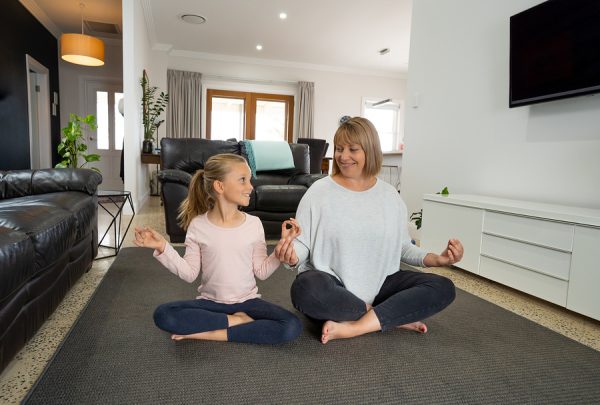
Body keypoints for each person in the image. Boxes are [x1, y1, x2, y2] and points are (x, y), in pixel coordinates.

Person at [274, 117, 464, 344]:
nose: (343, 157)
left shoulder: (390, 196)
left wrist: (437, 259)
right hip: (334, 285)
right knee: (305, 289)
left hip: (382, 283)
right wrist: (291, 255)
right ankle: (389, 316)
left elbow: (403, 247)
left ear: (370, 150)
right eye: (339, 149)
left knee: (442, 287)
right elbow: (303, 245)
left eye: (353, 149)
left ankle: (356, 326)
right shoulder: (318, 192)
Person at [134, 153, 303, 345]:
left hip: (248, 303)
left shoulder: (254, 224)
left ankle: (210, 332)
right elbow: (190, 273)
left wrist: (280, 251)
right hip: (210, 304)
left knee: (291, 325)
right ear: (220, 186)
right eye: (242, 180)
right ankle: (237, 323)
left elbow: (261, 272)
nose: (250, 187)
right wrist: (162, 247)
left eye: (249, 180)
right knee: (163, 314)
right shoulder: (198, 225)